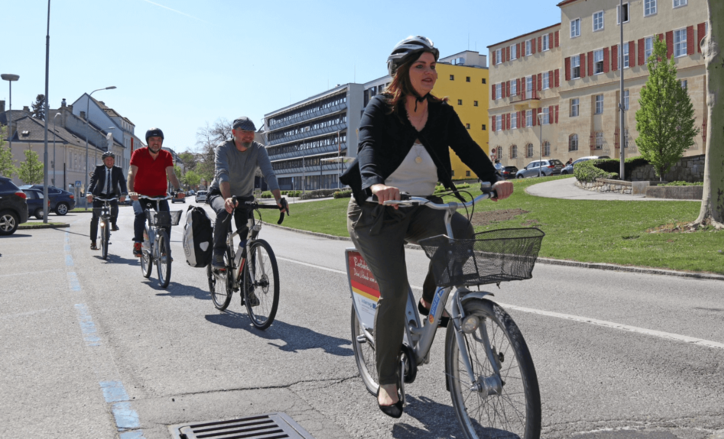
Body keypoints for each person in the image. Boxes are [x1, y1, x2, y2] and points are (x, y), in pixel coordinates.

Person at [340, 36, 514, 418]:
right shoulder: (380, 109)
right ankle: (388, 380)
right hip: (375, 211)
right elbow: (367, 146)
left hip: (420, 207)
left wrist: (492, 177)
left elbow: (467, 148)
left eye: (433, 65)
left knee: (461, 233)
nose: (430, 72)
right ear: (401, 71)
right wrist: (375, 183)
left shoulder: (441, 113)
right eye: (420, 66)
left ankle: (428, 300)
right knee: (392, 289)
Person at [207, 116, 288, 271]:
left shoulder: (258, 149)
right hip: (220, 193)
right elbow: (222, 174)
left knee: (249, 241)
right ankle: (217, 253)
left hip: (244, 197)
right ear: (233, 133)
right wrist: (227, 198)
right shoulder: (223, 148)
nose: (249, 136)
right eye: (244, 132)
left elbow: (269, 174)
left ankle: (249, 290)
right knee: (224, 211)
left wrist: (278, 198)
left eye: (251, 132)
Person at [127, 128, 184, 257]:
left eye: (158, 140)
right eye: (152, 140)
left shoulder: (166, 155)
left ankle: (165, 249)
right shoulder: (138, 153)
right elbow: (131, 173)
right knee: (140, 215)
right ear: (148, 141)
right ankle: (137, 242)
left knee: (166, 219)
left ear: (162, 142)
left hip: (159, 195)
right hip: (140, 195)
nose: (155, 142)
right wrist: (131, 192)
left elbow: (172, 174)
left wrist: (178, 189)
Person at [86, 151, 127, 250]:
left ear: (114, 161)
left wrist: (123, 193)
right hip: (99, 194)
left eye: (111, 160)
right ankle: (93, 242)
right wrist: (89, 192)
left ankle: (113, 224)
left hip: (112, 194)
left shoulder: (118, 170)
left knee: (114, 207)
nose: (109, 162)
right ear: (104, 161)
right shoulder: (99, 169)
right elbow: (93, 181)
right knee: (95, 218)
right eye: (107, 160)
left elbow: (122, 182)